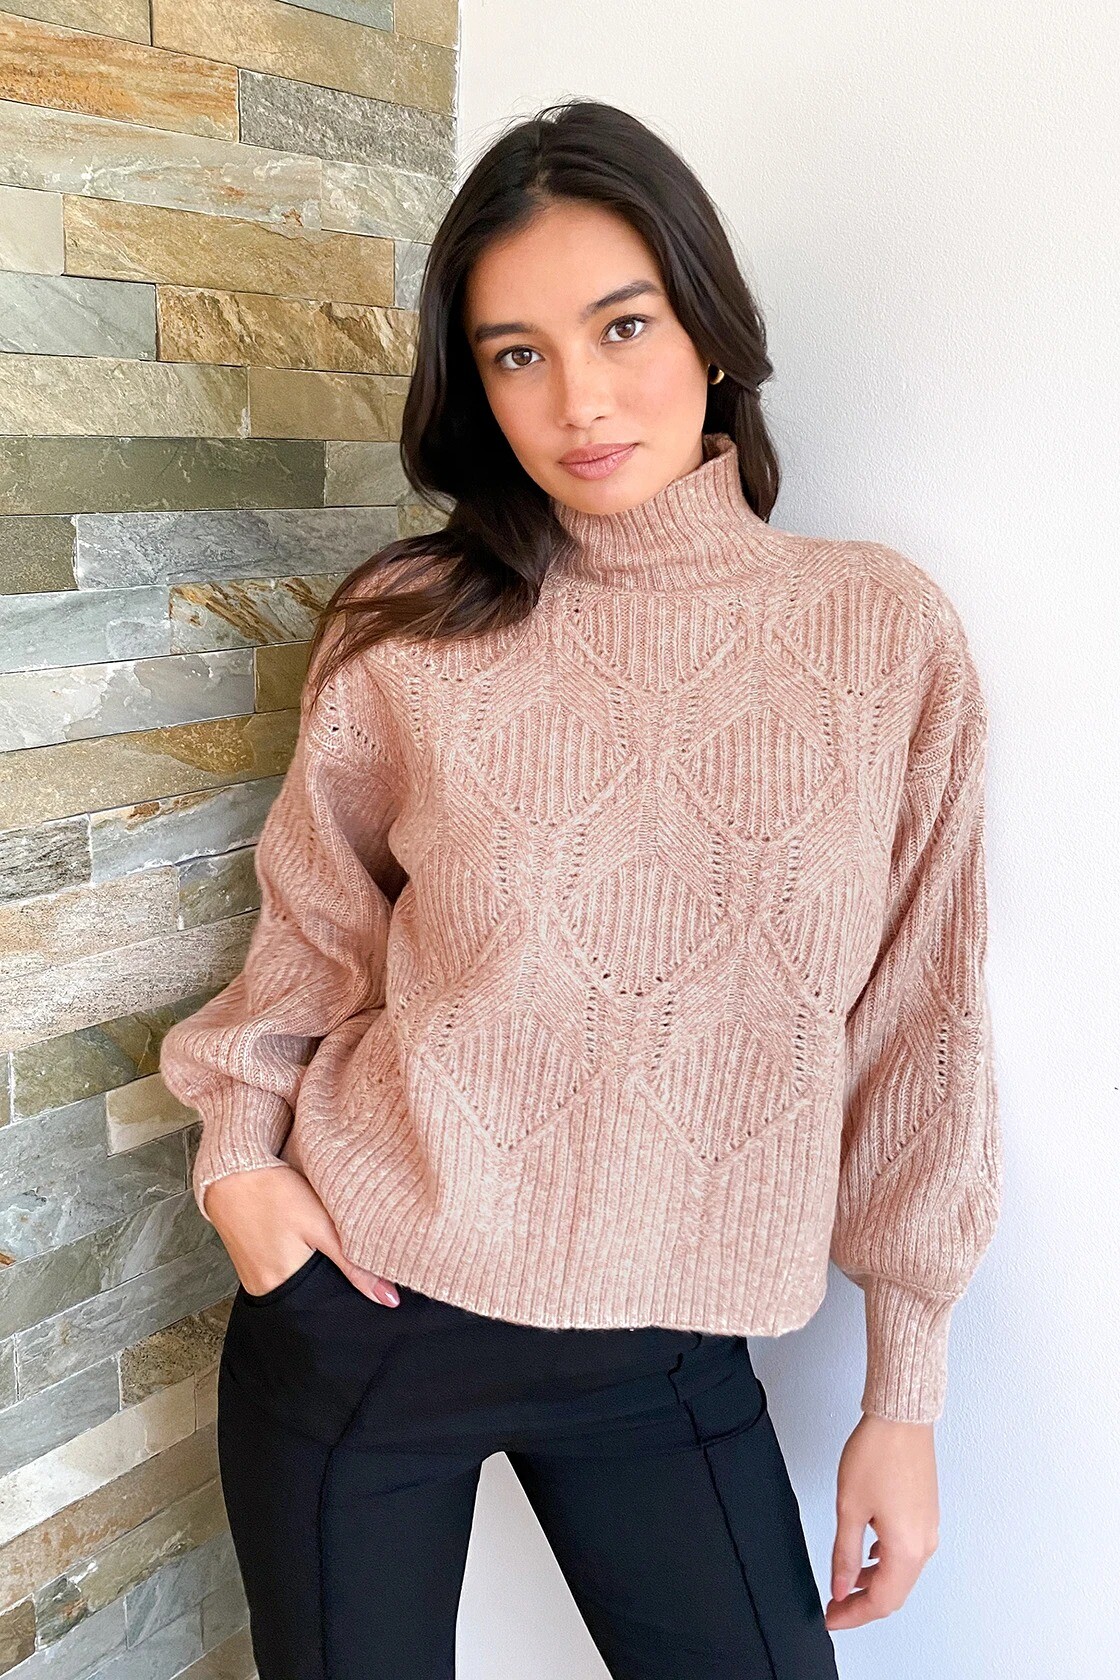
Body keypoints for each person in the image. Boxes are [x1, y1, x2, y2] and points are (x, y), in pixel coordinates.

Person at [159, 98, 1001, 1679]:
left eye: (623, 326)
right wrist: (240, 1168)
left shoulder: (880, 634)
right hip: (368, 1308)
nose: (580, 399)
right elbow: (311, 942)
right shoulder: (410, 624)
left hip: (668, 1352)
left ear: (712, 331)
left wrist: (906, 1393)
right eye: (516, 354)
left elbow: (919, 1022)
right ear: (473, 385)